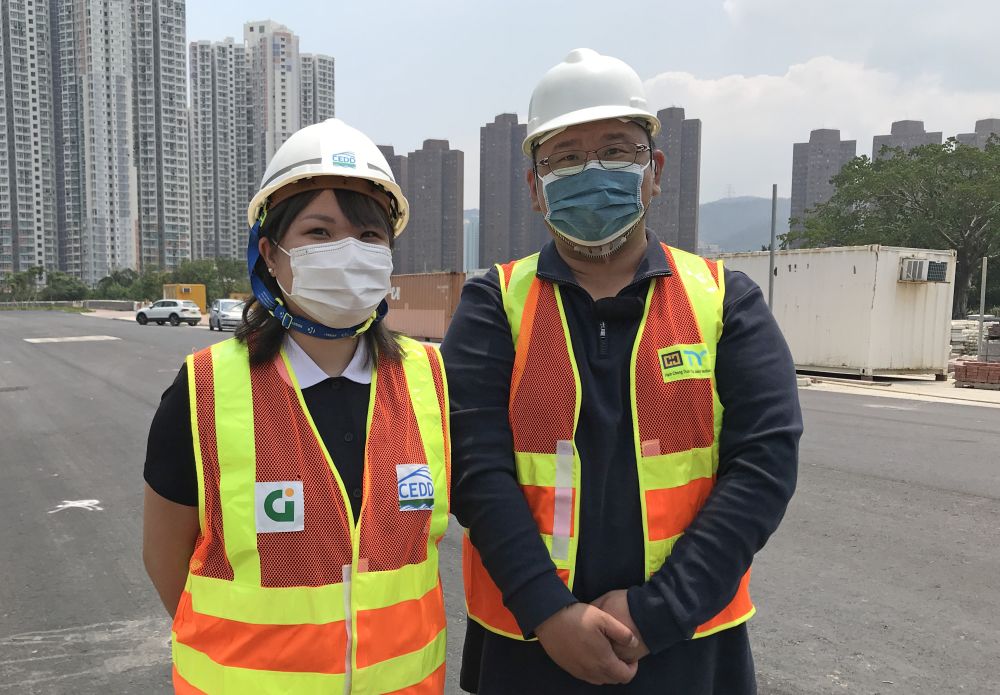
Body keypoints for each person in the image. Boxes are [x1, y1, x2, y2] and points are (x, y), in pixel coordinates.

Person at [442, 49, 803, 693]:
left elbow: (763, 466)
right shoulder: (494, 304)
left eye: (616, 149)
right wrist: (549, 612)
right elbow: (475, 471)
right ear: (534, 185)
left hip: (689, 650)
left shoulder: (726, 300)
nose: (593, 171)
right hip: (529, 649)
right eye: (566, 158)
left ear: (654, 170)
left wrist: (658, 611)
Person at [142, 118, 450, 694]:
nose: (348, 252)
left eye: (368, 236)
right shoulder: (204, 391)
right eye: (318, 232)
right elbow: (165, 557)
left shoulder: (430, 382)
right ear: (271, 253)